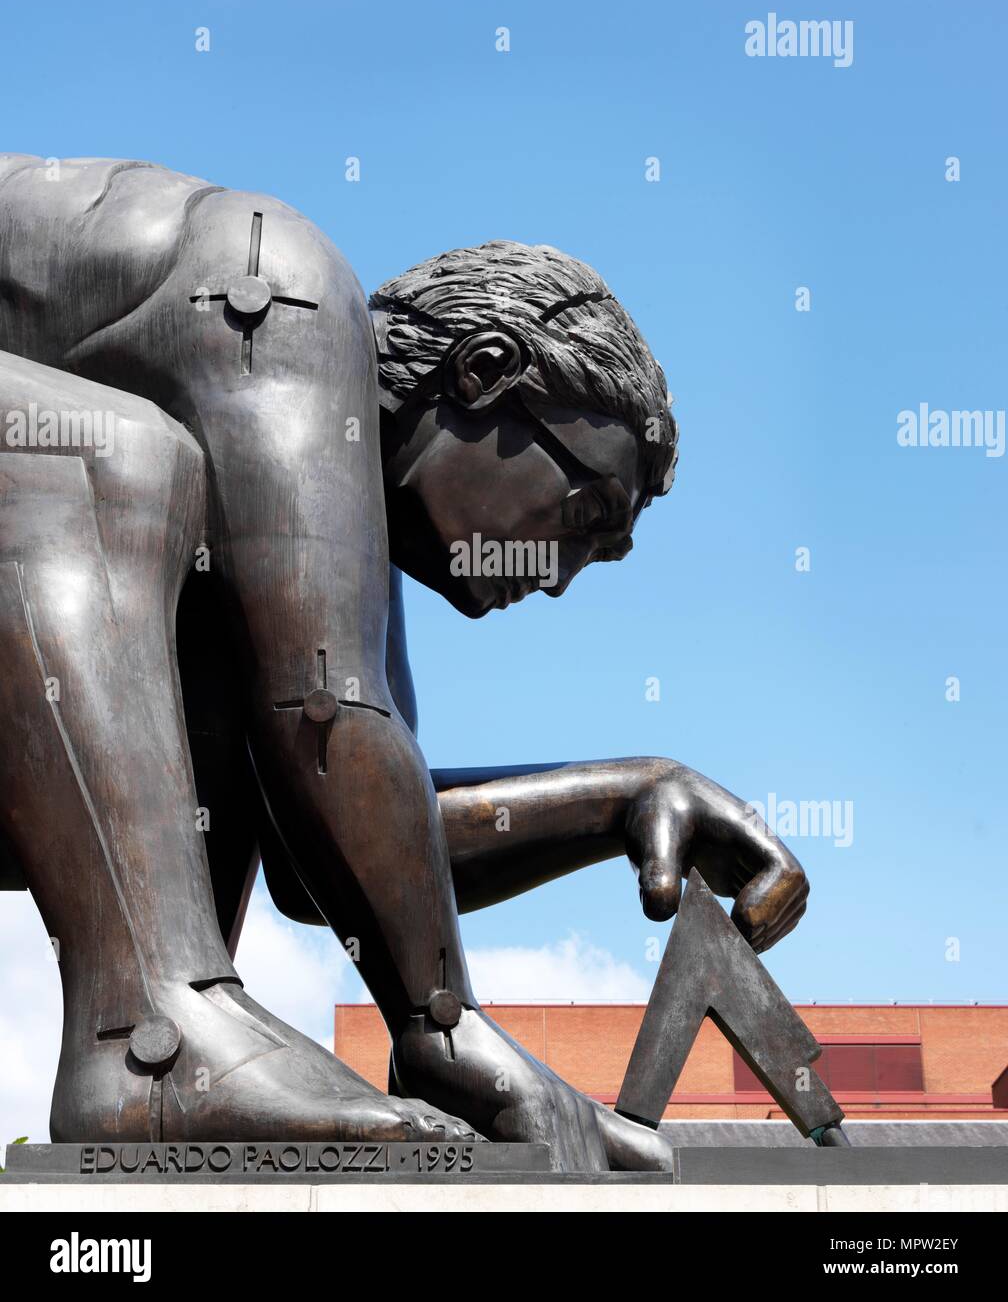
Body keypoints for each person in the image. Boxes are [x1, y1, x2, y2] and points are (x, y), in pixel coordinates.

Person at [0, 155, 807, 1169]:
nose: (556, 579)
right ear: (483, 372)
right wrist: (448, 1029)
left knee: (216, 638)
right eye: (582, 515)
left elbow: (333, 848)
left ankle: (177, 1015)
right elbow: (327, 714)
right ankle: (149, 1041)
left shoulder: (319, 541)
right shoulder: (285, 287)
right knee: (113, 463)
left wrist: (624, 797)